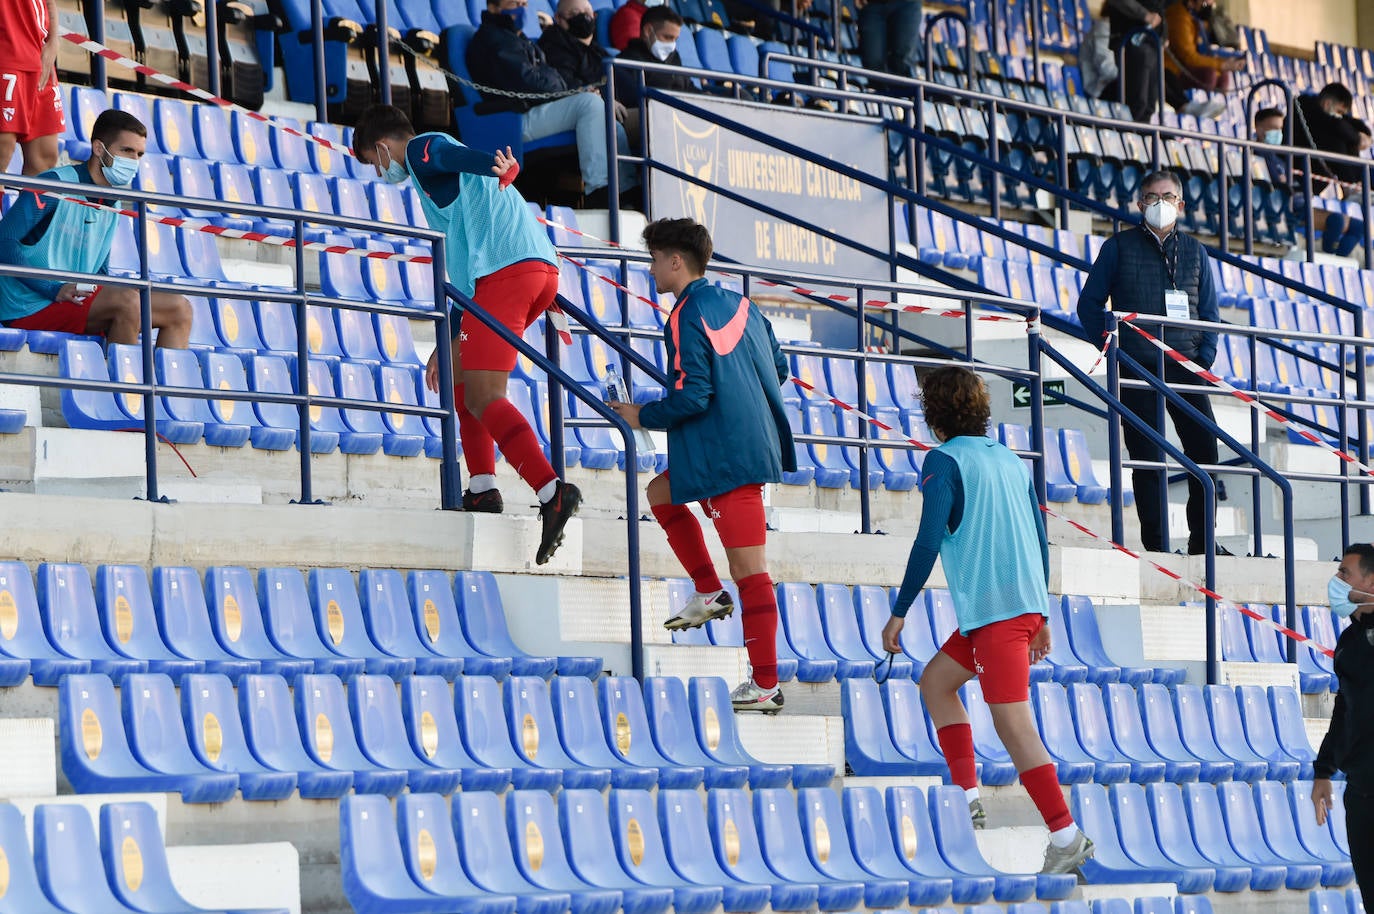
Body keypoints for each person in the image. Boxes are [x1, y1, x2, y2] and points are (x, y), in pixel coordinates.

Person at [880, 365, 1095, 875]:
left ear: (934, 419)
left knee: (1013, 725)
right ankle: (967, 799)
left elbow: (928, 541)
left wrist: (899, 612)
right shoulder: (1013, 462)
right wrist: (1041, 615)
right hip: (1008, 610)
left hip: (996, 616)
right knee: (936, 683)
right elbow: (1040, 540)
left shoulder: (942, 461)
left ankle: (1065, 835)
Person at [351, 104, 582, 564]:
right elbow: (466, 260)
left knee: (483, 394)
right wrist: (449, 338)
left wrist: (493, 163)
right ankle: (482, 488)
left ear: (381, 148)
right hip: (528, 274)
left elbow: (445, 153)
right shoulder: (432, 183)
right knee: (461, 380)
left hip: (507, 272)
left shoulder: (417, 151)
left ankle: (551, 490)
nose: (378, 172)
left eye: (372, 163)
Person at [608, 218, 795, 713]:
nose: (650, 270)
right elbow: (780, 369)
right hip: (740, 445)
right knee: (659, 494)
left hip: (727, 453)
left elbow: (694, 395)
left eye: (653, 260)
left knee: (751, 571)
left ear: (675, 262)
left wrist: (641, 413)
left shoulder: (686, 313)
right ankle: (709, 592)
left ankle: (766, 684)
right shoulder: (744, 305)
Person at [1076, 170, 1227, 556]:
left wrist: (1203, 358)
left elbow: (1209, 314)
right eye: (1151, 196)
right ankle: (1157, 547)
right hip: (1137, 366)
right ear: (1140, 203)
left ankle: (1201, 544)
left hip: (1185, 367)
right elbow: (1089, 305)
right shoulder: (1118, 247)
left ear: (1182, 204)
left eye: (1167, 196)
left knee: (1205, 456)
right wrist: (1114, 351)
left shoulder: (1196, 251)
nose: (1159, 203)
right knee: (1148, 460)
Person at [0, 110, 192, 347]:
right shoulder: (53, 184)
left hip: (73, 298)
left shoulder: (114, 201)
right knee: (126, 304)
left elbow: (98, 269)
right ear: (99, 149)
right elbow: (4, 241)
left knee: (179, 309)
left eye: (139, 154)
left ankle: (157, 383)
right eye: (127, 151)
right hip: (29, 303)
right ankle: (126, 384)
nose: (134, 161)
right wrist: (53, 288)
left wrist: (111, 287)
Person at [467, 0, 639, 207]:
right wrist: (559, 84)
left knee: (604, 113)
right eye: (515, 2)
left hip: (531, 110)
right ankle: (600, 194)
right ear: (494, 5)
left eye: (524, 2)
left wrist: (552, 81)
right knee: (589, 104)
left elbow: (547, 78)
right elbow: (529, 82)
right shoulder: (491, 38)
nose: (522, 7)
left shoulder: (516, 38)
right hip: (510, 119)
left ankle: (626, 191)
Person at [1313, 543, 1374, 908]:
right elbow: (1344, 710)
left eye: (1345, 574)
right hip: (1362, 794)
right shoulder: (1350, 640)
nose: (1337, 582)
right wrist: (1324, 771)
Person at [1256, 106, 1367, 257]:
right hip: (1289, 207)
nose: (1278, 133)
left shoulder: (1279, 156)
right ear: (1259, 128)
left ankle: (1337, 261)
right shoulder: (1256, 153)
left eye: (1281, 129)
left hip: (1301, 202)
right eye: (1274, 128)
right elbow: (1269, 183)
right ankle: (1328, 260)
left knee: (1358, 227)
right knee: (1336, 222)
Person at [0, 0, 63, 175]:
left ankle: (31, 204)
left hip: (40, 58)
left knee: (44, 159)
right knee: (2, 150)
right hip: (6, 55)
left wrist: (53, 41)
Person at [1163, 0, 1243, 117]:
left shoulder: (1199, 19)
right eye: (1205, 3)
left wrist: (1222, 65)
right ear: (1191, 2)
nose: (1209, 6)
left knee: (1223, 76)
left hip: (1186, 67)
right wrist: (1221, 64)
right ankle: (1192, 109)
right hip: (1173, 70)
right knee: (1208, 74)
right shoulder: (1179, 16)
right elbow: (1189, 58)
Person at [613, 6, 694, 113]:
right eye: (668, 37)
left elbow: (689, 87)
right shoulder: (627, 61)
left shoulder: (674, 57)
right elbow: (634, 99)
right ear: (648, 31)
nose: (672, 45)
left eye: (675, 39)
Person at [1104, 0, 1167, 123]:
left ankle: (1140, 137)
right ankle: (1124, 136)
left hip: (1152, 43)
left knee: (1148, 107)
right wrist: (1144, 15)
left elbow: (1160, 7)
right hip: (1130, 41)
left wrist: (1164, 33)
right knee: (1137, 103)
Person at [855, 0, 922, 81]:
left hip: (907, 3)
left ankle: (901, 92)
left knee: (902, 61)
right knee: (873, 61)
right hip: (872, 5)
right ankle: (879, 91)